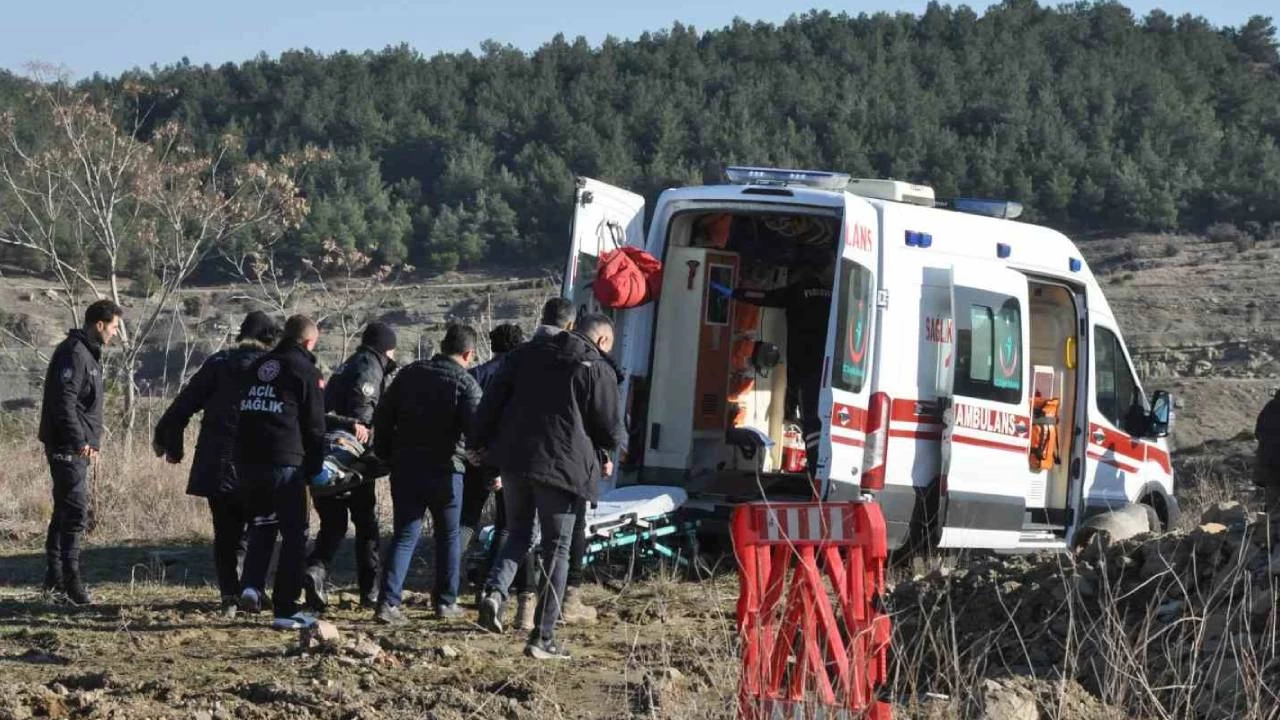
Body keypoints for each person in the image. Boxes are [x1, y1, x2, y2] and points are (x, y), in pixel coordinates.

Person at [472, 311, 622, 660]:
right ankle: (543, 637)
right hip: (562, 468)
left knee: (518, 532)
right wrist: (602, 451)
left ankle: (495, 593)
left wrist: (481, 445)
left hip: (514, 460)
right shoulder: (593, 366)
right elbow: (609, 427)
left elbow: (491, 402)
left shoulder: (522, 355)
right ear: (600, 340)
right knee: (558, 549)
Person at [152, 311, 280, 618]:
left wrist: (171, 444)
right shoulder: (274, 368)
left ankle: (229, 595)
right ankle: (253, 588)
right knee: (260, 529)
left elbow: (183, 406)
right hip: (259, 463)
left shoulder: (219, 364)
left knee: (225, 532)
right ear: (269, 339)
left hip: (217, 462)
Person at [372, 324, 482, 624]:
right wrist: (484, 462)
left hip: (405, 466)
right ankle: (445, 602)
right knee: (448, 537)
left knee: (405, 534)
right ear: (468, 353)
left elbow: (383, 414)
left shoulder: (409, 373)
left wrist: (383, 452)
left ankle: (387, 603)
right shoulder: (466, 384)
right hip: (446, 471)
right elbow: (476, 431)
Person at [234, 315, 326, 630]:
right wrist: (315, 468)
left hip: (247, 461)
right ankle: (286, 607)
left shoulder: (256, 367)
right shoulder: (305, 371)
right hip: (285, 462)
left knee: (261, 524)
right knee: (295, 534)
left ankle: (251, 588)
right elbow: (315, 426)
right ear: (309, 342)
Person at [302, 322, 399, 612]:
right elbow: (362, 418)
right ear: (385, 347)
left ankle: (315, 571)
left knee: (333, 525)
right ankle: (370, 592)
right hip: (351, 458)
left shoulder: (346, 366)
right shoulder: (370, 367)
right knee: (366, 524)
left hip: (324, 453)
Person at [37, 299, 122, 606]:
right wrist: (79, 441)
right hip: (67, 447)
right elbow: (64, 403)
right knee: (75, 513)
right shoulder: (75, 354)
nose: (115, 334)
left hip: (75, 447)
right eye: (113, 327)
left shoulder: (85, 353)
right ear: (99, 324)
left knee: (64, 510)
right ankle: (71, 584)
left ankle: (55, 581)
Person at [715, 260, 834, 476]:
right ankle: (818, 465)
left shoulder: (799, 291)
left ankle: (816, 467)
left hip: (804, 364)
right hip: (827, 365)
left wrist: (733, 293)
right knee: (817, 416)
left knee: (810, 417)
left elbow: (766, 298)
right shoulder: (830, 294)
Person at [1255, 390, 1280, 514]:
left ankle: (1269, 530)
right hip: (1273, 466)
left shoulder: (1269, 408)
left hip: (1268, 466)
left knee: (1272, 506)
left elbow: (1258, 432)